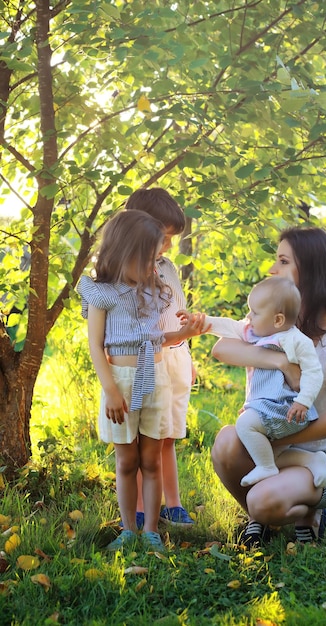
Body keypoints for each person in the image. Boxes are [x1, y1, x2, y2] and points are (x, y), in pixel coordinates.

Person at [210, 226, 326, 547]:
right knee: (227, 442)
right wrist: (280, 362)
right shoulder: (274, 321)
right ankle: (261, 517)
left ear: (310, 269)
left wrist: (278, 435)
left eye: (283, 261)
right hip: (270, 452)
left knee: (263, 502)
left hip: (318, 460)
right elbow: (222, 349)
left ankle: (306, 514)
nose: (272, 269)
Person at [77, 210, 205, 552]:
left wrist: (184, 332)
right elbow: (95, 346)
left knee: (151, 459)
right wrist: (111, 390)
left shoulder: (154, 288)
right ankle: (128, 529)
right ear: (125, 252)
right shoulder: (101, 293)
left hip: (156, 379)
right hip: (120, 381)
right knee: (126, 461)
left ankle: (151, 529)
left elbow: (159, 337)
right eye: (149, 258)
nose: (155, 265)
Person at [184, 275, 326, 489]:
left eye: (255, 312)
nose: (248, 316)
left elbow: (314, 372)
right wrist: (202, 323)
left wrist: (304, 401)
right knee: (265, 453)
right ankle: (311, 461)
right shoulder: (253, 332)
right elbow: (229, 327)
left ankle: (267, 469)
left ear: (278, 320)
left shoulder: (297, 341)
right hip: (266, 407)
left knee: (245, 426)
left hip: (286, 408)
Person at [125, 187, 196, 528]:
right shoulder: (129, 273)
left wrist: (188, 353)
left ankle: (173, 503)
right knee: (144, 440)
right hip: (149, 363)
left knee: (168, 435)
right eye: (165, 237)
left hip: (176, 359)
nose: (168, 246)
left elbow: (175, 314)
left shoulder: (167, 267)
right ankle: (138, 508)